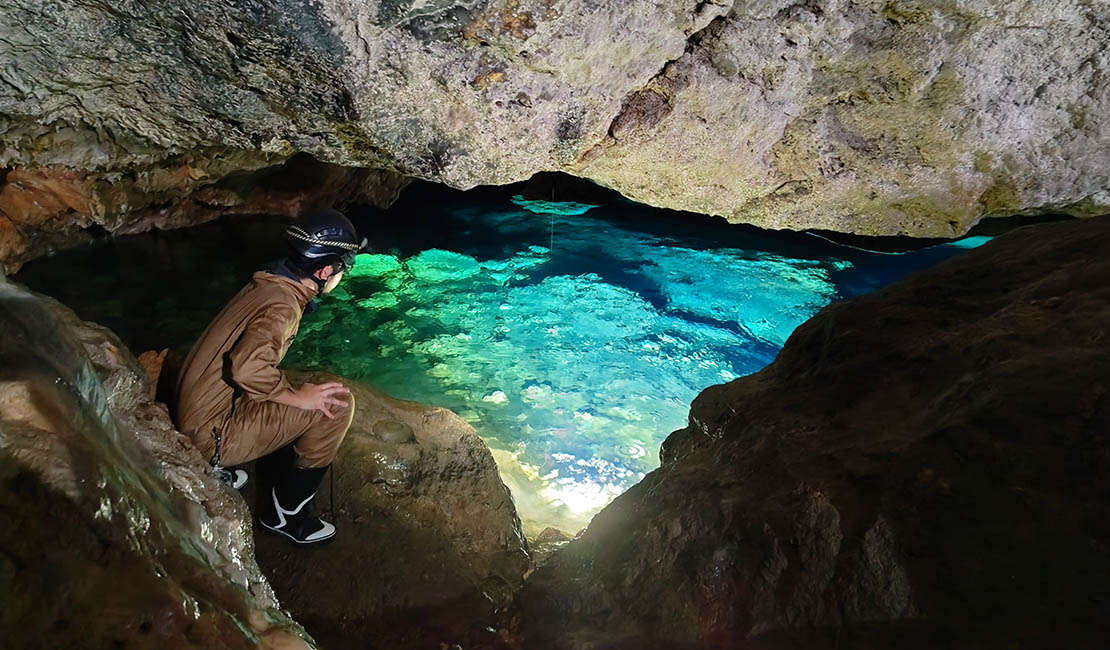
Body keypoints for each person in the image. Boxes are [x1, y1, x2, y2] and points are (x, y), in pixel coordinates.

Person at [174, 207, 367, 545]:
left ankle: (214, 464)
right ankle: (286, 516)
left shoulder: (267, 282)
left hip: (193, 411)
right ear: (325, 270)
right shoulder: (284, 307)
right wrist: (295, 397)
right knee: (337, 404)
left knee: (301, 384)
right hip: (208, 433)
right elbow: (246, 368)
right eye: (343, 268)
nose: (341, 275)